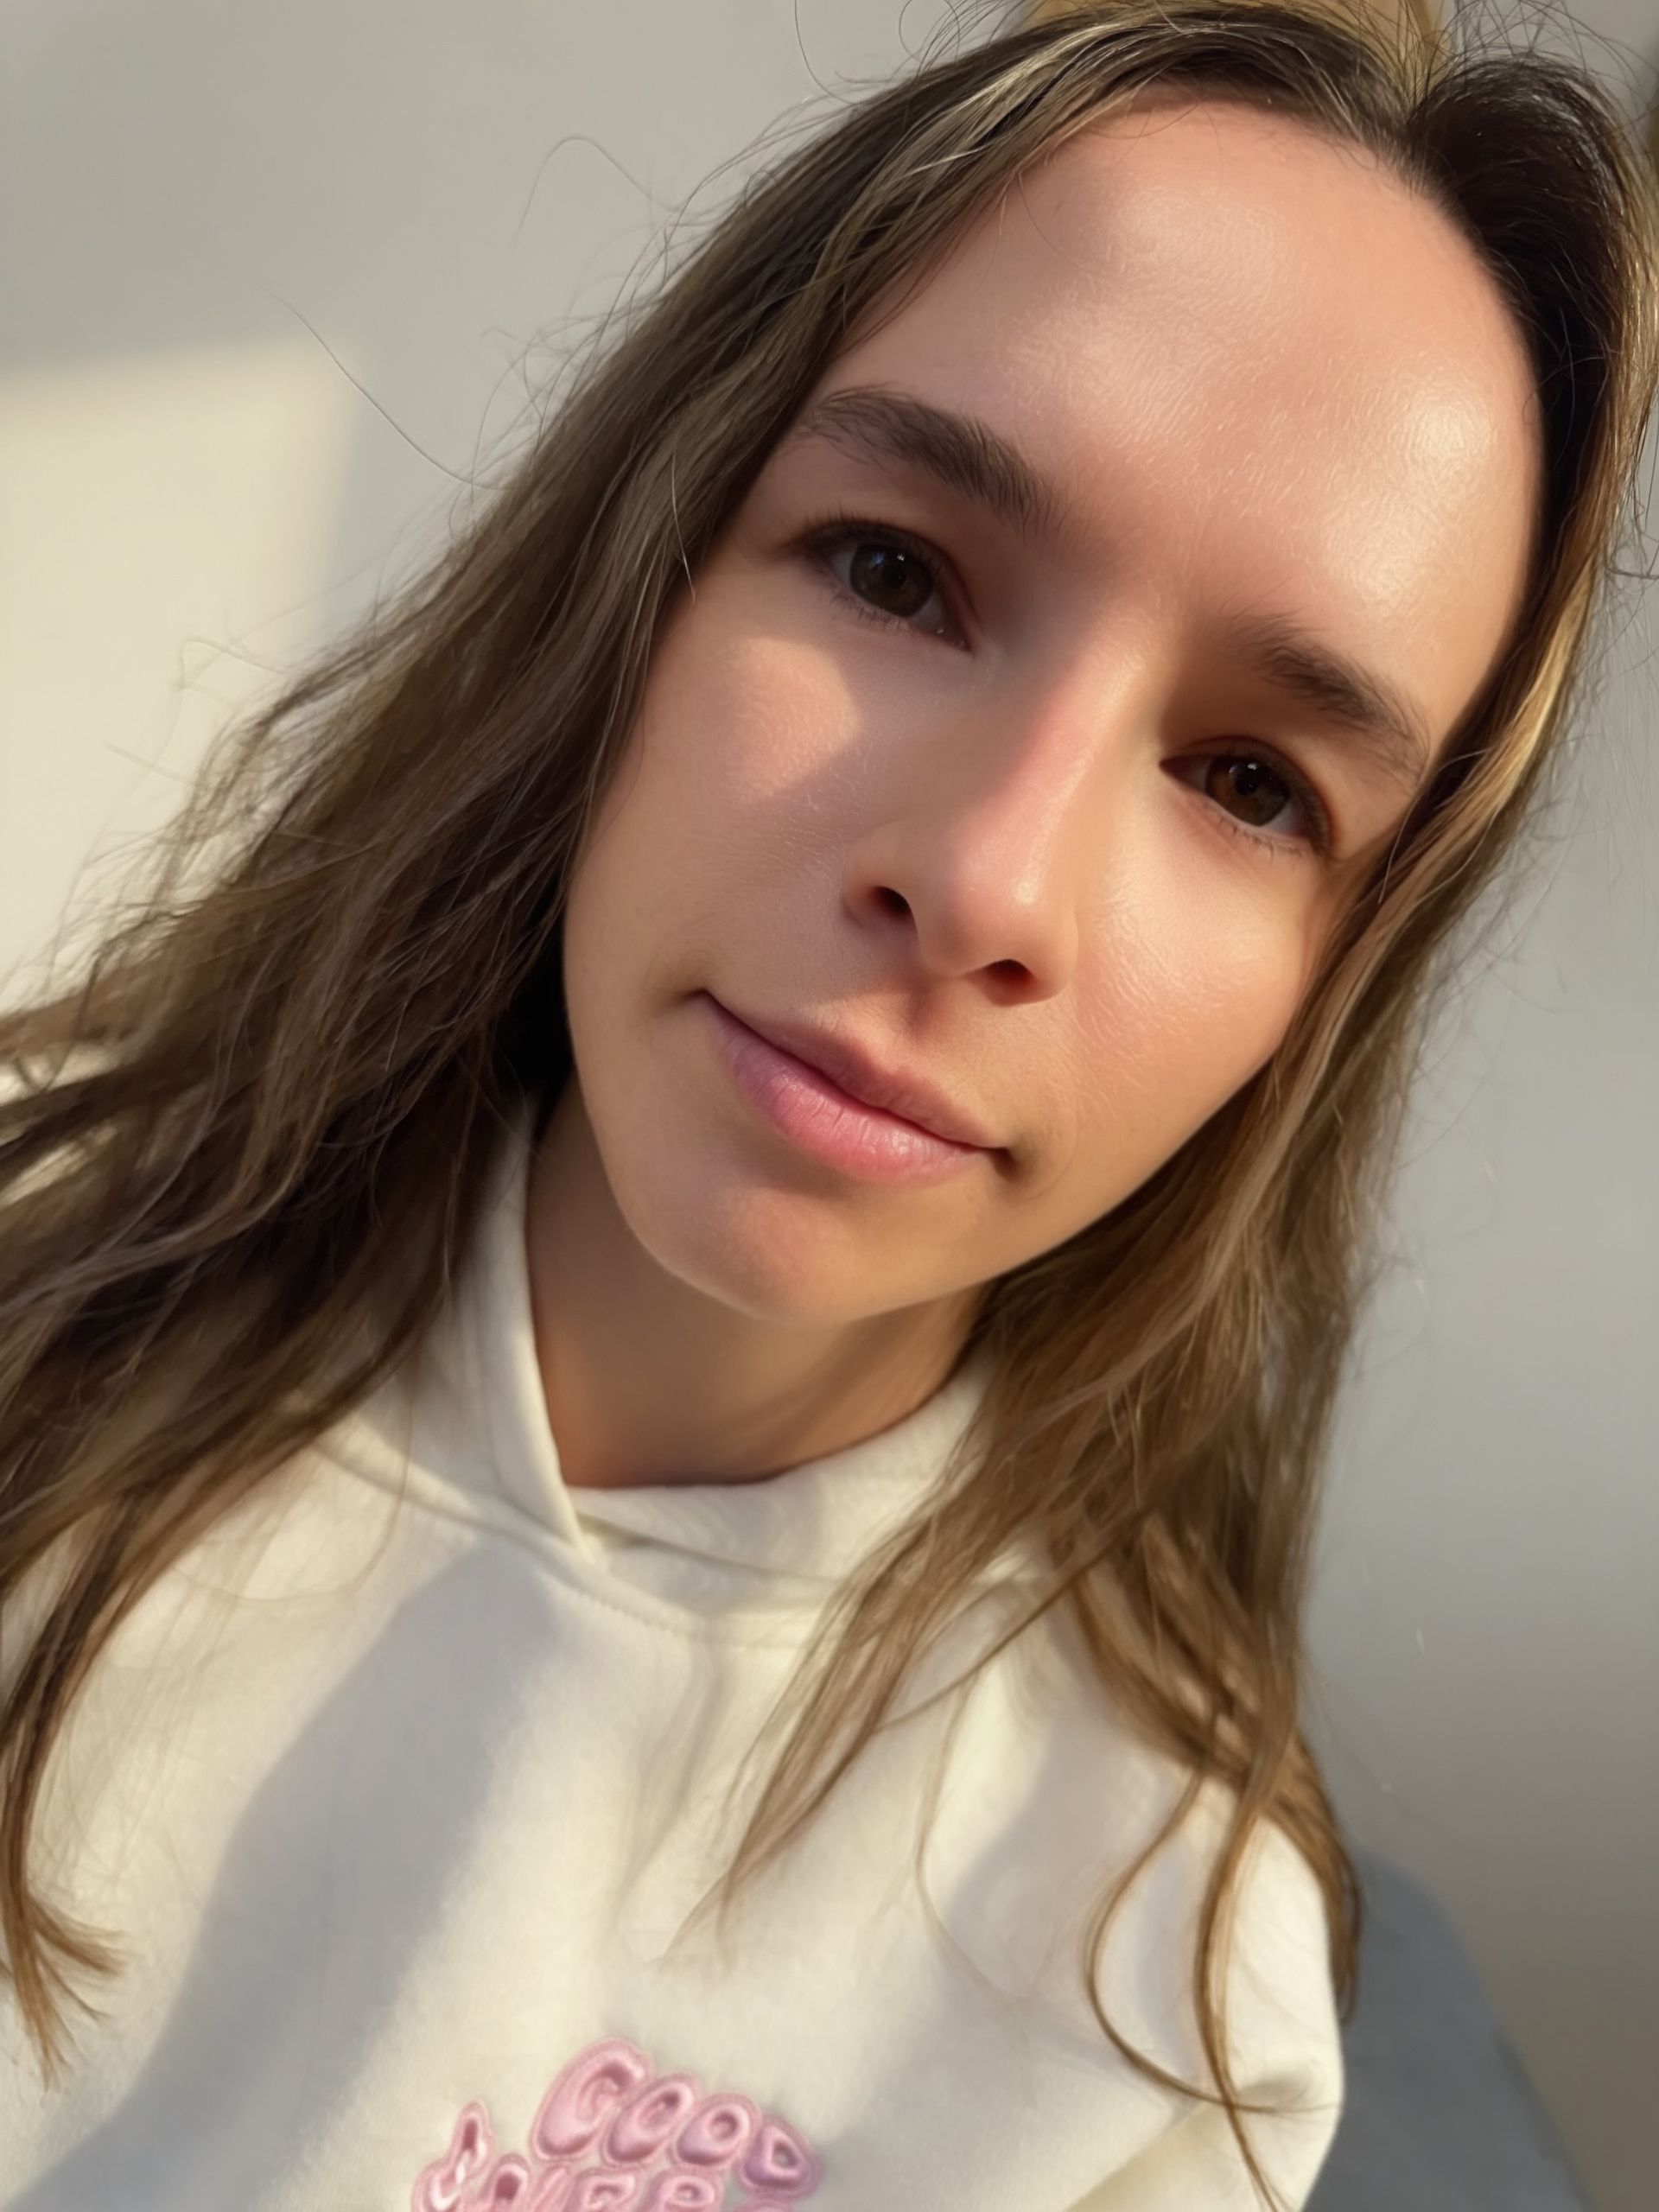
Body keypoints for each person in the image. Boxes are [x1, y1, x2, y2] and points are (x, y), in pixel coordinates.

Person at [2, 3, 1655, 2207]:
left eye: (1250, 783)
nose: (985, 877)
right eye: (898, 569)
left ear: (1327, 994)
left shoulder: (1154, 1978)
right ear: (644, 565)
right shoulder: (42, 1301)